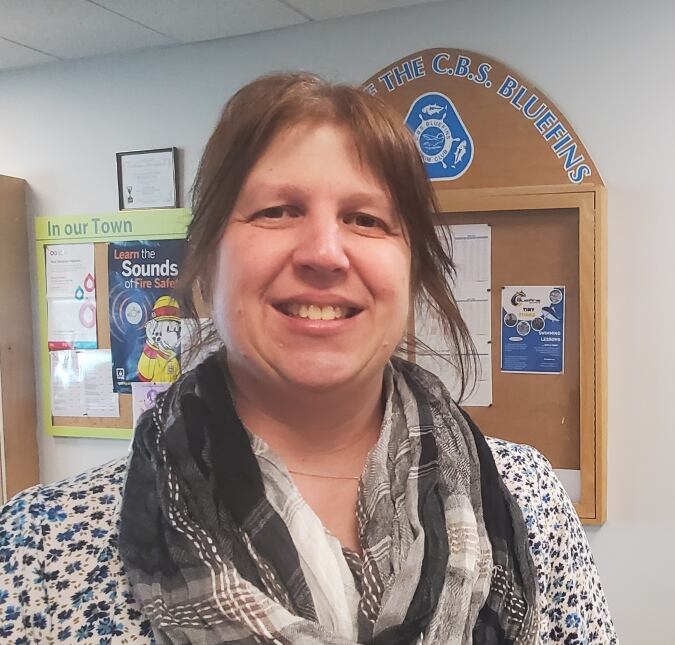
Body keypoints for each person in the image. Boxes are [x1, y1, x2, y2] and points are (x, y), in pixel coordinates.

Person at [0, 73, 617, 644]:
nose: (325, 251)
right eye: (277, 211)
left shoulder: (528, 501)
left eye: (366, 219)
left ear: (412, 271)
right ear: (205, 266)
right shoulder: (41, 549)